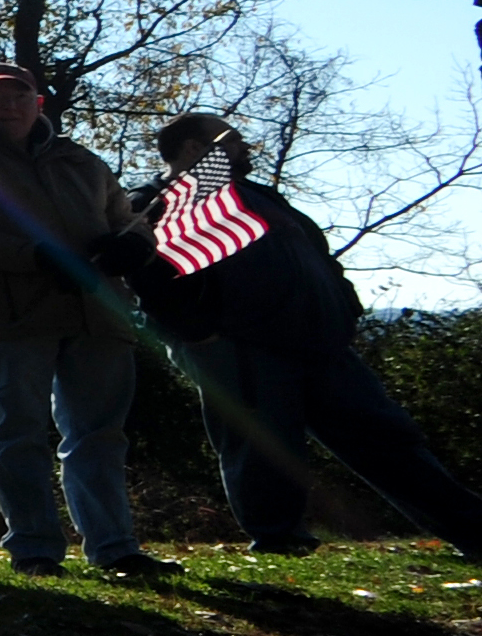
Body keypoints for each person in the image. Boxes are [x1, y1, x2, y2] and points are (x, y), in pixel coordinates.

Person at [130, 114, 482, 560]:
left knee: (388, 439)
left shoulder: (262, 198)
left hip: (321, 341)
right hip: (239, 344)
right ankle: (280, 541)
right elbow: (145, 272)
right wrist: (199, 333)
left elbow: (319, 257)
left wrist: (345, 307)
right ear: (192, 150)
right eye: (231, 140)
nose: (244, 147)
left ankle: (470, 529)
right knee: (263, 448)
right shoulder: (155, 203)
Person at [0, 63, 178, 579]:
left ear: (39, 104)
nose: (10, 105)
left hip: (98, 312)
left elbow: (126, 217)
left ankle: (115, 548)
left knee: (100, 436)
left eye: (21, 95)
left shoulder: (79, 158)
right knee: (19, 433)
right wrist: (34, 255)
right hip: (11, 314)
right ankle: (35, 548)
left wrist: (134, 245)